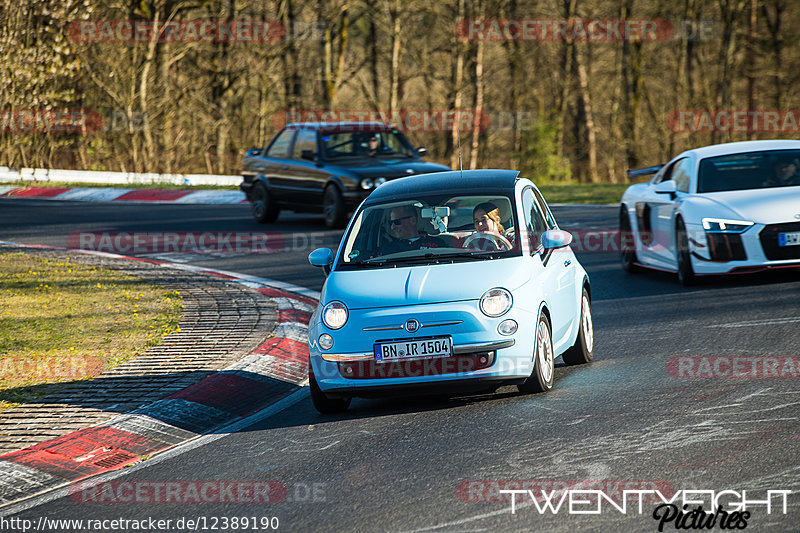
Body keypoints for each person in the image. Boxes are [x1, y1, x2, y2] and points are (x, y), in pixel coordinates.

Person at [381, 204, 445, 255]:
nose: (392, 227)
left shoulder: (438, 243)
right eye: (390, 223)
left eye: (397, 222)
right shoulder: (389, 250)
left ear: (413, 220)